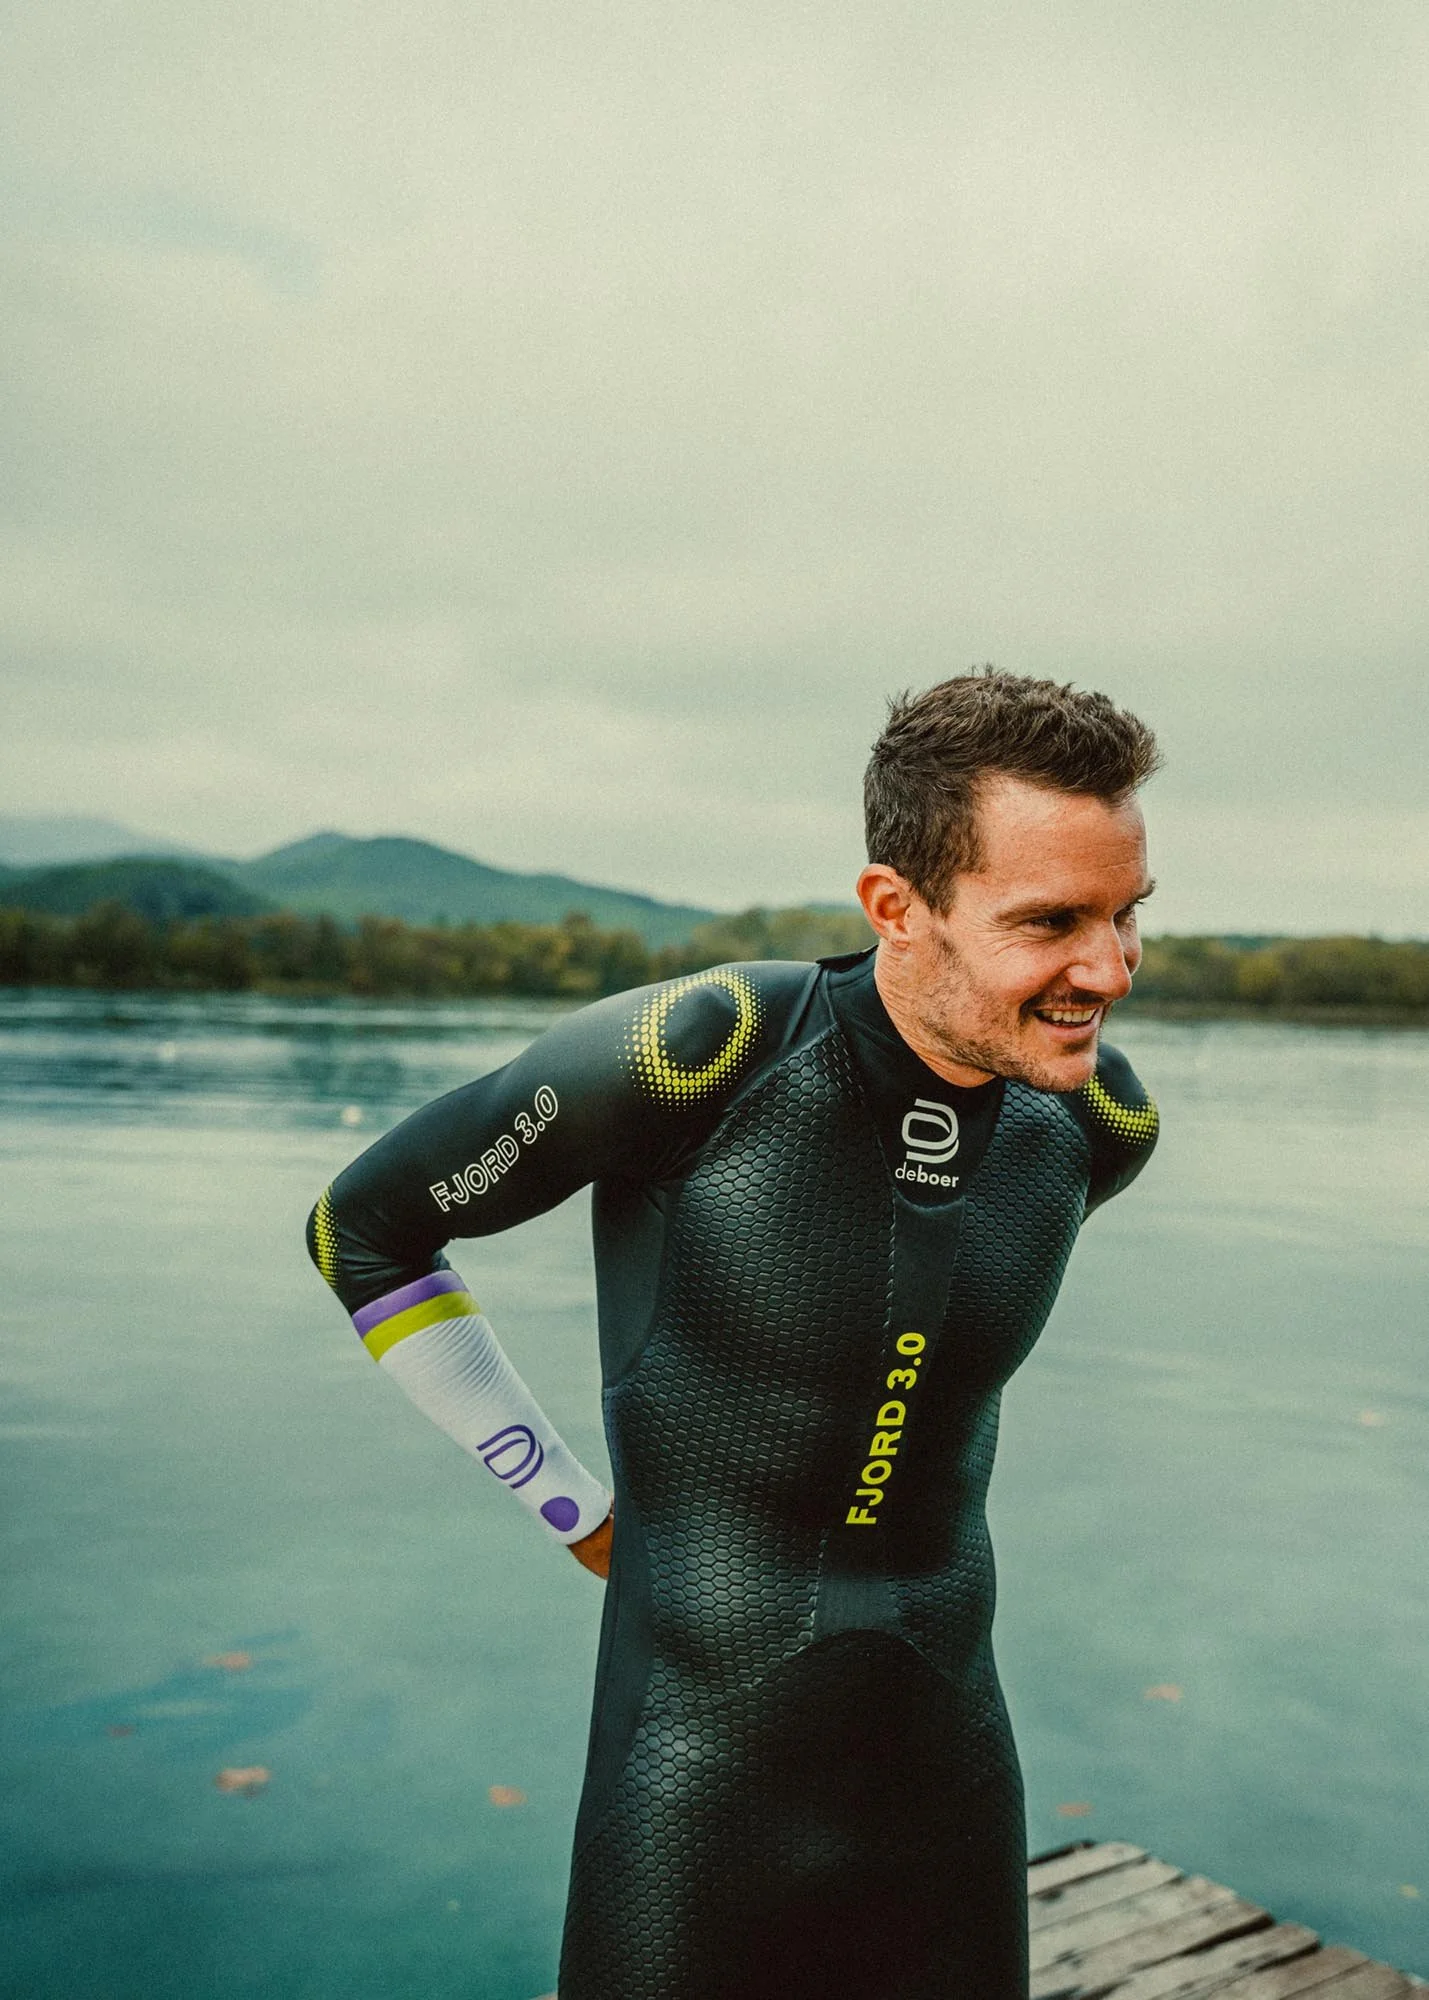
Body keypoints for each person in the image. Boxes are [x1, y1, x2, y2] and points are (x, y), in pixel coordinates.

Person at [306, 668, 1162, 2000]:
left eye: (1126, 915)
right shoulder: (699, 1056)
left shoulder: (1098, 1124)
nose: (1105, 970)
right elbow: (361, 1233)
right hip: (699, 1772)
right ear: (897, 907)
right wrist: (568, 1505)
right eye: (1052, 920)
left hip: (949, 1756)